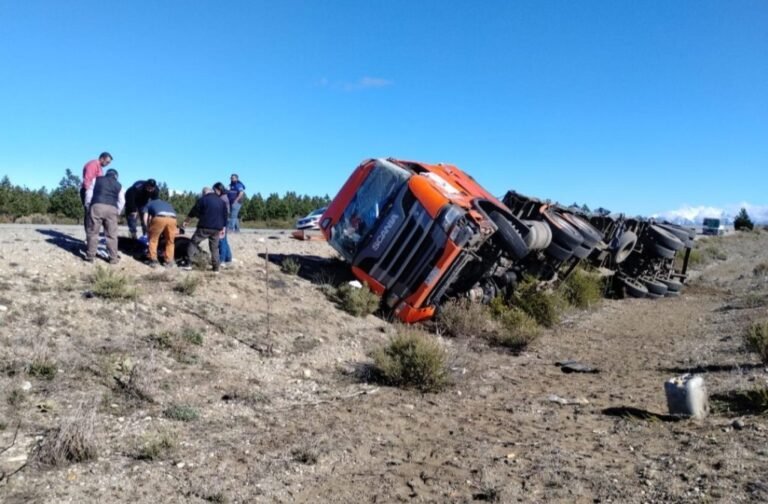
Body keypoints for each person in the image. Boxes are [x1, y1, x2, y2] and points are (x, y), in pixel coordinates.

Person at [182, 187, 227, 272]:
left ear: (204, 192)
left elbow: (194, 211)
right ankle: (216, 268)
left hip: (204, 226)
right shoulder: (222, 201)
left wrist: (186, 221)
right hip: (217, 228)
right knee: (214, 248)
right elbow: (225, 215)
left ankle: (189, 263)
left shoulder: (203, 199)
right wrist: (223, 227)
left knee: (193, 243)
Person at [84, 168, 124, 263]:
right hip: (112, 209)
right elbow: (122, 200)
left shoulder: (96, 179)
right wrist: (117, 211)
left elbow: (88, 193)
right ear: (116, 176)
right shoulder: (119, 185)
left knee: (93, 232)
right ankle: (113, 258)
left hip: (97, 206)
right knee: (111, 235)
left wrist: (88, 205)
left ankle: (90, 256)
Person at [80, 152, 113, 233]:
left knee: (94, 214)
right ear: (102, 158)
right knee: (89, 214)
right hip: (88, 192)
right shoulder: (92, 165)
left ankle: (92, 235)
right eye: (107, 162)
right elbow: (88, 180)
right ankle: (89, 236)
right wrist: (89, 197)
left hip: (95, 193)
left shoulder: (99, 168)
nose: (107, 164)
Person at [143, 198, 178, 268]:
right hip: (173, 219)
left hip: (159, 217)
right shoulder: (167, 204)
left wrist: (147, 227)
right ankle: (169, 261)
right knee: (170, 241)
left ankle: (153, 260)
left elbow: (145, 217)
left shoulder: (149, 203)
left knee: (153, 240)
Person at [213, 182, 233, 266]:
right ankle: (228, 257)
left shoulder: (222, 198)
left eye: (215, 190)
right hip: (224, 220)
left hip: (222, 221)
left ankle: (222, 259)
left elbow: (223, 212)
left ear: (218, 189)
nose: (214, 192)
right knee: (224, 240)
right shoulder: (224, 197)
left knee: (221, 241)